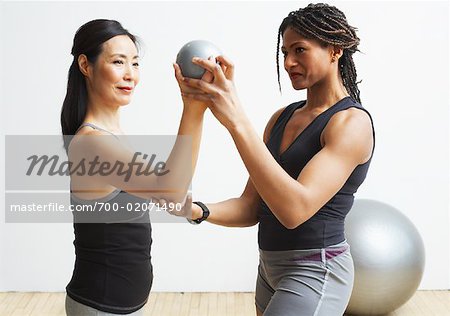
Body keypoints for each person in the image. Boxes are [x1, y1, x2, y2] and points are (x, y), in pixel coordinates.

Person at [179, 3, 375, 315]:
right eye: (284, 52)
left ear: (335, 50)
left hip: (315, 270)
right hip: (269, 269)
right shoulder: (281, 118)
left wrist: (236, 120)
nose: (288, 62)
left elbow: (294, 210)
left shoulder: (351, 123)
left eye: (300, 50)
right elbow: (252, 206)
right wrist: (198, 210)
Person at [61, 19, 209, 315]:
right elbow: (170, 190)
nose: (130, 75)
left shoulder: (112, 137)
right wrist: (193, 106)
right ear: (85, 66)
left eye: (136, 63)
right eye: (118, 62)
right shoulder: (92, 143)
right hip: (100, 306)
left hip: (121, 305)